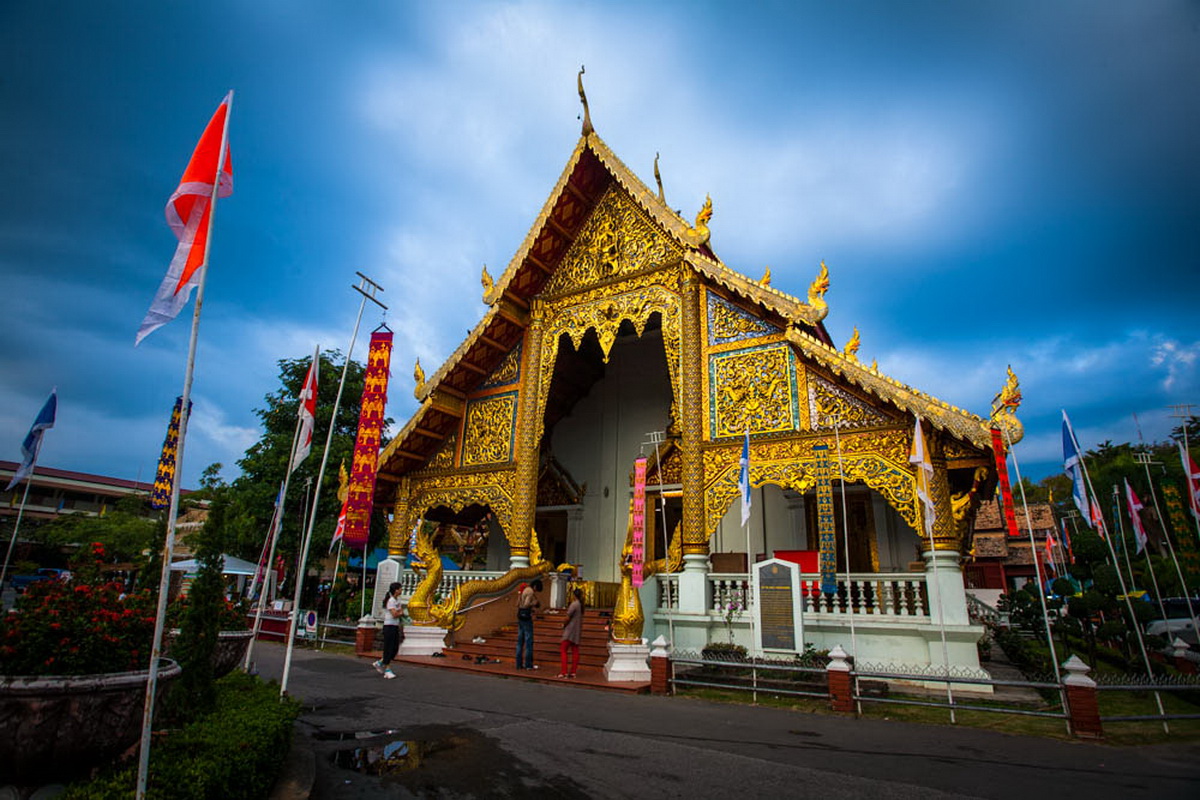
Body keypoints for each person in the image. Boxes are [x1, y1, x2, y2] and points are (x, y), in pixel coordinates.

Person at [374, 582, 404, 680]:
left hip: (395, 626)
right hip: (389, 626)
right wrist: (400, 613)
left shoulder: (397, 601)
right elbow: (395, 614)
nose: (401, 590)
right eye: (400, 589)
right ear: (396, 590)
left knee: (395, 648)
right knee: (389, 647)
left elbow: (399, 612)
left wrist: (399, 613)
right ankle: (387, 669)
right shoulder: (391, 601)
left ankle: (380, 662)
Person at [515, 579, 542, 670]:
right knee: (529, 641)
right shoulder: (530, 591)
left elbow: (518, 604)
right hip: (526, 617)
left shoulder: (524, 590)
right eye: (536, 590)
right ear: (535, 587)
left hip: (520, 615)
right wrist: (533, 603)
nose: (535, 591)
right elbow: (526, 604)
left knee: (520, 642)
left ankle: (518, 664)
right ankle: (528, 664)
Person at [558, 587, 584, 678]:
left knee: (563, 649)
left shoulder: (574, 604)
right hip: (576, 630)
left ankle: (564, 671)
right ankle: (573, 671)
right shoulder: (580, 605)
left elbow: (568, 617)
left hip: (570, 630)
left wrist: (563, 625)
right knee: (575, 651)